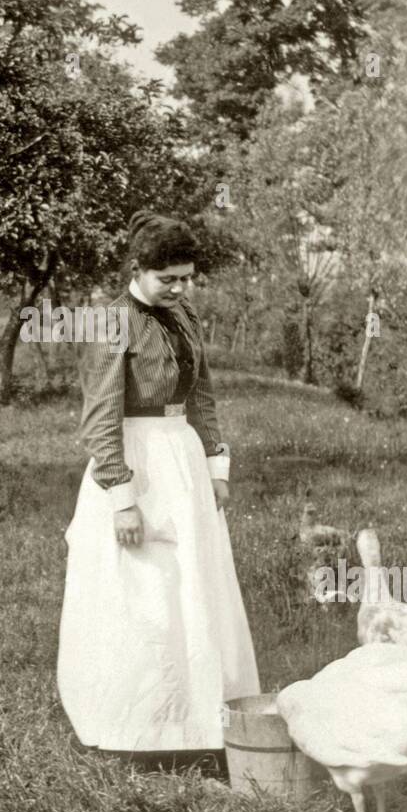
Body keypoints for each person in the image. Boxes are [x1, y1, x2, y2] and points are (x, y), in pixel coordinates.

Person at [57, 210, 261, 759]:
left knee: (194, 585)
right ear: (137, 270)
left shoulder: (186, 316)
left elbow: (202, 395)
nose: (178, 287)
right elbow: (100, 417)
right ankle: (135, 727)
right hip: (135, 459)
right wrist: (122, 499)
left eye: (186, 277)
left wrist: (217, 465)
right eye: (166, 278)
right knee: (143, 593)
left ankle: (199, 722)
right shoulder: (110, 323)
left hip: (183, 459)